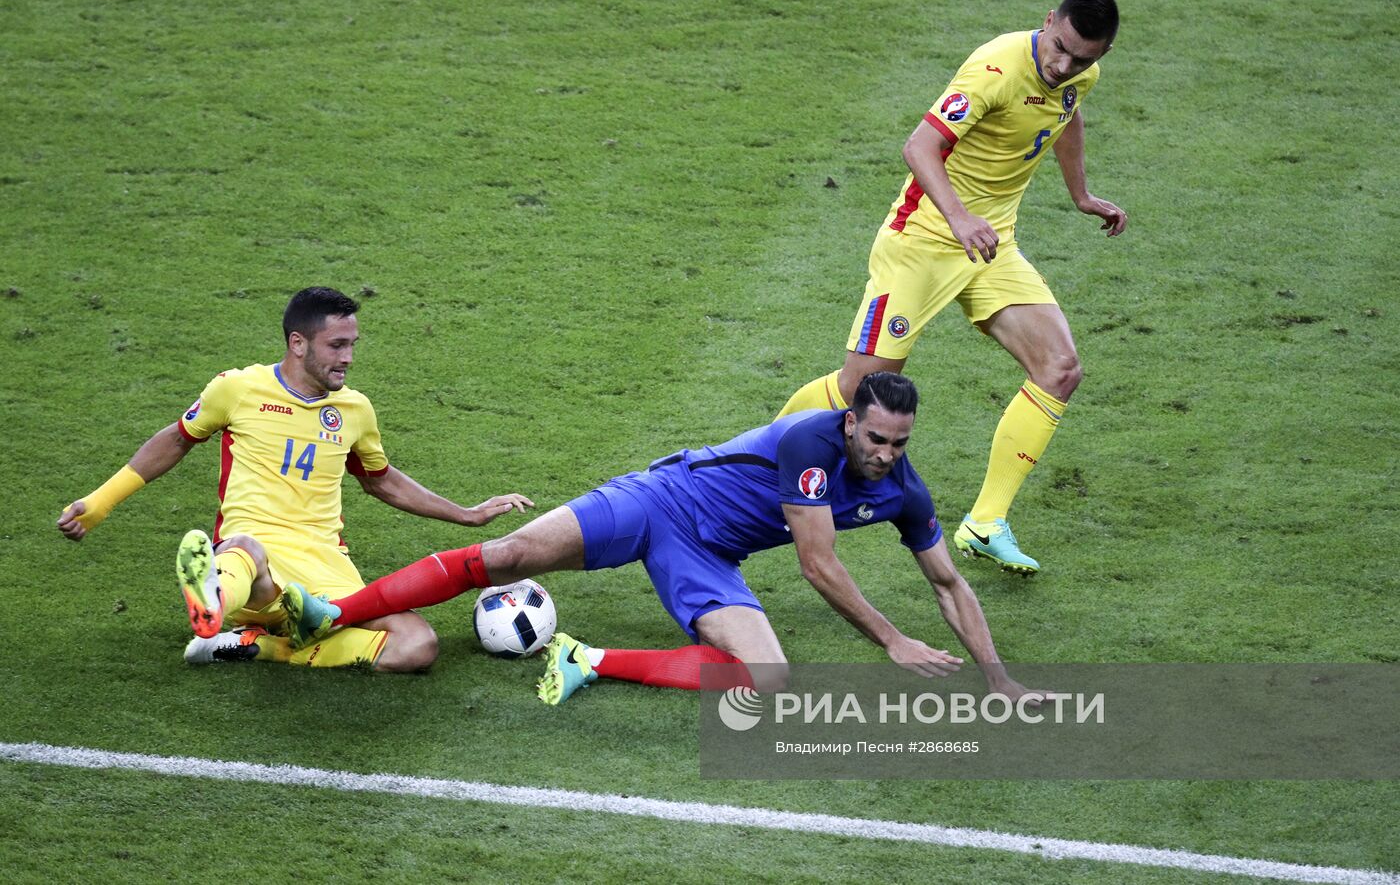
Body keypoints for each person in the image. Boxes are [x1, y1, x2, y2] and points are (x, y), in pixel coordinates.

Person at [280, 373, 1048, 705]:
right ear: (852, 421)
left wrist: (998, 678)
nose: (884, 454)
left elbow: (949, 581)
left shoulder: (901, 489)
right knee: (507, 556)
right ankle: (333, 614)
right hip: (658, 500)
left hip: (707, 555)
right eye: (876, 437)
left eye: (899, 443)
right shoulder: (811, 445)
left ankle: (587, 660)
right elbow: (818, 565)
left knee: (770, 680)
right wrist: (891, 640)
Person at [776, 0, 1127, 574]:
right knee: (860, 388)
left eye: (1083, 59)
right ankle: (764, 456)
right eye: (1060, 48)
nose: (1063, 66)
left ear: (1103, 52)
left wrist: (1081, 195)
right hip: (922, 242)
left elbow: (1066, 114)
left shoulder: (1078, 75)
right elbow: (921, 147)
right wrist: (960, 218)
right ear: (1047, 21)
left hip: (991, 246)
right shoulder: (994, 70)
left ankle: (986, 523)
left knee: (1060, 368)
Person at [57, 286, 533, 672]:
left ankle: (260, 647)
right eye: (336, 345)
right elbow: (177, 439)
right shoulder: (238, 389)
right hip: (253, 561)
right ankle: (216, 601)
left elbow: (380, 480)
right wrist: (99, 503)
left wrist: (467, 515)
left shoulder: (355, 409)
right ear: (298, 343)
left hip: (327, 568)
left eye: (352, 345)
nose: (347, 358)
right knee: (245, 549)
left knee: (417, 645)